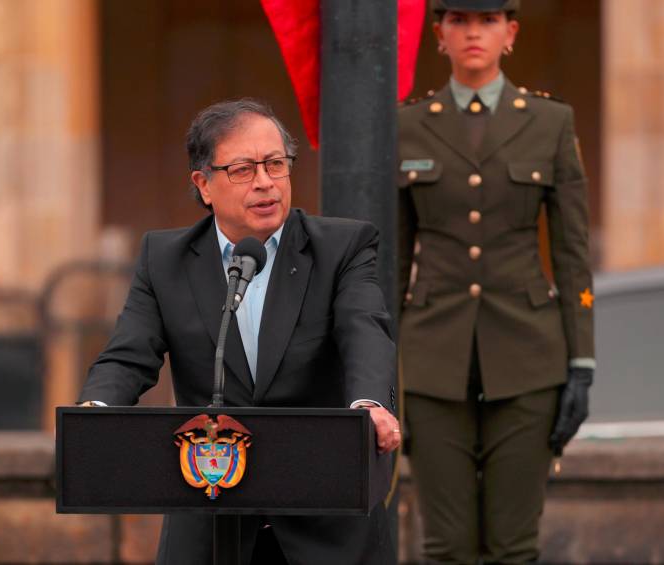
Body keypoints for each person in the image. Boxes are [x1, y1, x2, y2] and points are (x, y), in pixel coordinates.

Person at [79, 98, 400, 565]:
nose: (266, 182)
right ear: (203, 185)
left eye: (275, 164)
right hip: (211, 519)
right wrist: (96, 410)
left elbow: (364, 329)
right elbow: (129, 355)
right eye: (244, 170)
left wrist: (368, 403)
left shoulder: (341, 247)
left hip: (324, 520)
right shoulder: (164, 260)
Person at [397, 1, 595, 563]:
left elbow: (572, 253)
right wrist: (382, 368)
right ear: (439, 35)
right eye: (458, 21)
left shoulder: (551, 121)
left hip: (529, 360)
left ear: (510, 33)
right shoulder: (408, 125)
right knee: (446, 545)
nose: (473, 33)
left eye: (486, 21)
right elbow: (391, 262)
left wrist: (582, 363)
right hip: (433, 362)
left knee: (514, 546)